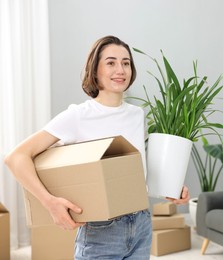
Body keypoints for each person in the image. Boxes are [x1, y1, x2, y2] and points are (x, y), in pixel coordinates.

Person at [4, 35, 190, 259]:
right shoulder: (78, 116)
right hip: (101, 231)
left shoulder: (136, 114)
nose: (120, 70)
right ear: (95, 70)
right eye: (111, 62)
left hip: (141, 223)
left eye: (126, 63)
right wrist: (50, 202)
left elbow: (132, 172)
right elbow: (16, 158)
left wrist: (171, 188)